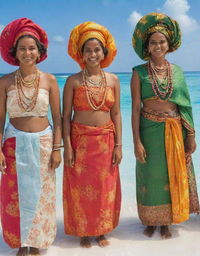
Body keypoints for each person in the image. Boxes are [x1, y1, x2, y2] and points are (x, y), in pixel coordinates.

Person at [131, 12, 200, 239]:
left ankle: (168, 220)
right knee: (149, 175)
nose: (158, 45)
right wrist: (136, 141)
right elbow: (135, 109)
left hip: (175, 130)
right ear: (147, 46)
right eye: (153, 42)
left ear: (169, 44)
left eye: (162, 42)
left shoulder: (178, 72)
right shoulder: (138, 72)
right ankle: (150, 220)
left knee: (171, 174)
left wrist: (190, 135)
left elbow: (186, 106)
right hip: (148, 130)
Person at [0, 18, 62, 256]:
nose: (27, 52)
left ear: (40, 52)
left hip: (44, 144)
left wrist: (58, 148)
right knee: (14, 196)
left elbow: (58, 118)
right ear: (15, 52)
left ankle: (36, 243)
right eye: (22, 48)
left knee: (42, 196)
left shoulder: (50, 80)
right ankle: (21, 243)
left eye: (32, 48)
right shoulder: (4, 82)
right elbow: (0, 120)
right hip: (13, 143)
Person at [63, 21, 122, 248]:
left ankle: (101, 230)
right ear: (81, 53)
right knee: (80, 187)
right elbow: (65, 116)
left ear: (104, 52)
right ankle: (84, 231)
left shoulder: (114, 80)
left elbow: (116, 113)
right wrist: (67, 146)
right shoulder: (73, 81)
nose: (93, 54)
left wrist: (119, 145)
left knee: (104, 187)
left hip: (106, 141)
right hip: (80, 141)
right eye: (88, 50)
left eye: (97, 49)